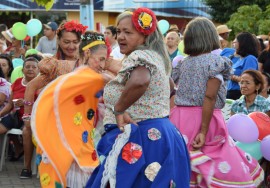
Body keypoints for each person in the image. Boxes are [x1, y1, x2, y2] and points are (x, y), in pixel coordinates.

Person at [86, 7, 190, 188]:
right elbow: (170, 86)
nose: (120, 37)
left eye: (128, 32)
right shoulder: (155, 56)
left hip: (142, 136)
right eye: (118, 31)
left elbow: (141, 81)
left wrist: (119, 109)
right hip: (160, 132)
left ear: (145, 36)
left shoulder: (140, 55)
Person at [170, 17, 264, 187]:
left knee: (183, 160)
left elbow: (171, 88)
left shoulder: (183, 63)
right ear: (211, 37)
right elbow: (210, 97)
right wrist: (204, 130)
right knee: (214, 157)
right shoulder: (216, 63)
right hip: (206, 118)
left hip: (180, 118)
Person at [31, 31, 112, 187]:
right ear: (87, 53)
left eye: (105, 60)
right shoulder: (78, 75)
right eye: (101, 59)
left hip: (84, 135)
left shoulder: (93, 75)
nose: (103, 65)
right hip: (64, 138)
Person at [20, 20, 88, 179]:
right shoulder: (53, 64)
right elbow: (30, 87)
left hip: (83, 120)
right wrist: (27, 116)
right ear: (58, 41)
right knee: (58, 165)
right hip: (57, 121)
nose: (71, 46)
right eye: (66, 42)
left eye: (75, 42)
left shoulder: (88, 62)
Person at [226, 32, 259, 100]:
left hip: (240, 94)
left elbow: (248, 79)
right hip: (231, 92)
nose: (233, 44)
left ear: (242, 43)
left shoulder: (250, 59)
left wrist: (232, 77)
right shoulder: (240, 58)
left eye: (236, 42)